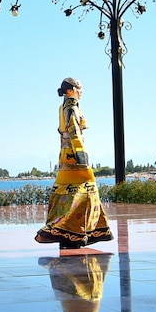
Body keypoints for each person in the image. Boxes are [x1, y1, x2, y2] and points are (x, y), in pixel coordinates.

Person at [35, 78, 113, 249]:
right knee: (86, 192)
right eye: (80, 88)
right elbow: (74, 131)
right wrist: (81, 154)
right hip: (75, 155)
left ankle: (65, 231)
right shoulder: (72, 107)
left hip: (65, 154)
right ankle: (75, 231)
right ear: (71, 90)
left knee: (66, 192)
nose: (81, 91)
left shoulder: (62, 107)